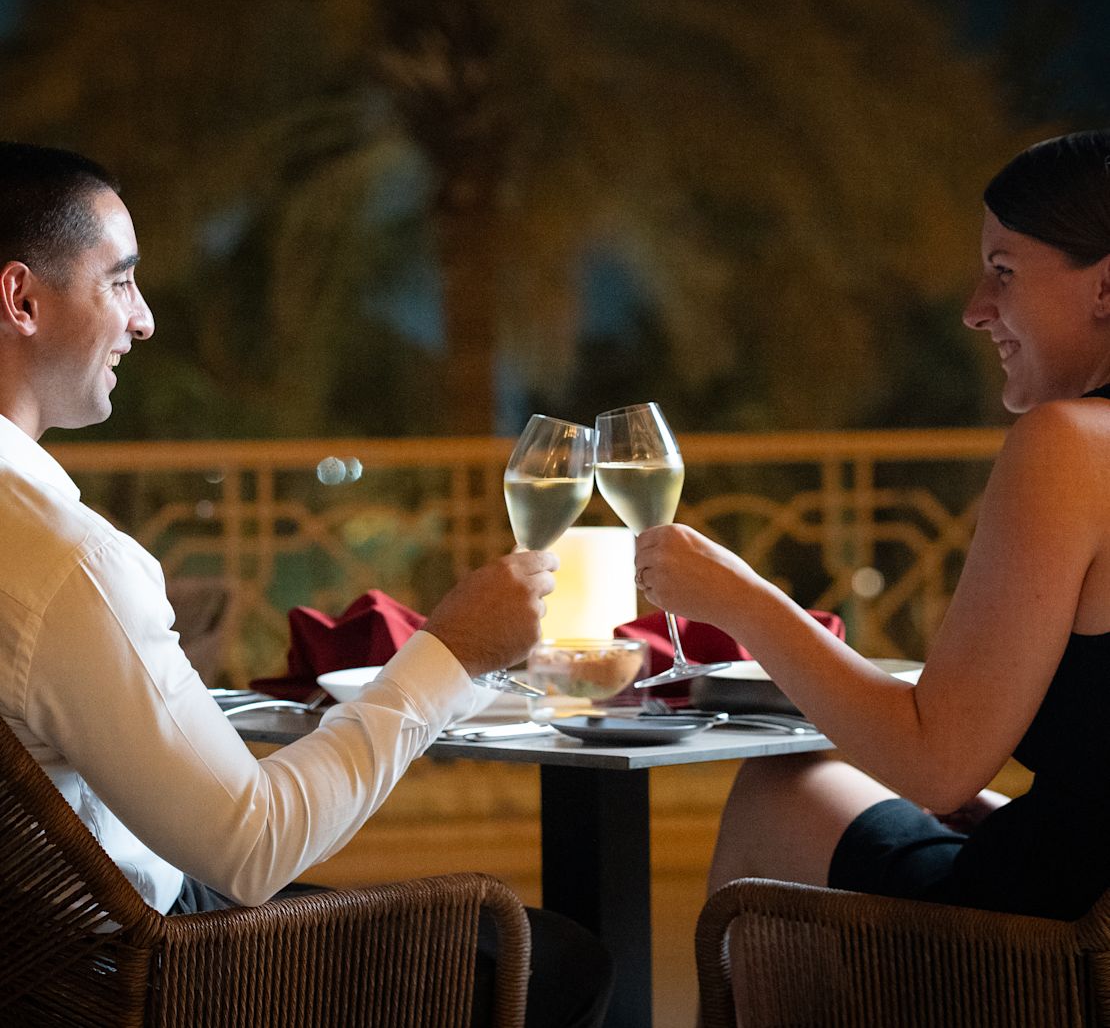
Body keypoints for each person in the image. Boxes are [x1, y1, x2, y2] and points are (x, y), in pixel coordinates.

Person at [0, 142, 610, 1027]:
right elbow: (253, 846)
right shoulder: (66, 564)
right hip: (136, 977)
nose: (144, 322)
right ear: (21, 299)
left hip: (32, 962)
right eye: (121, 282)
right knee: (556, 962)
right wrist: (448, 652)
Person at [633, 129, 1110, 928]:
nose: (974, 311)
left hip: (1052, 943)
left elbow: (938, 764)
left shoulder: (1072, 444)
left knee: (778, 789)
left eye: (1003, 272)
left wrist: (744, 602)